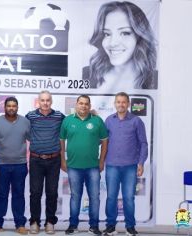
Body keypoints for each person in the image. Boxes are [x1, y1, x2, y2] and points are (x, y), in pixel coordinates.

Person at [60, 95, 108, 235]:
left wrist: (101, 161)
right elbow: (61, 141)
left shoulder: (97, 121)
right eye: (81, 103)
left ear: (89, 105)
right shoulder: (68, 120)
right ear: (76, 104)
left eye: (86, 104)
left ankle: (94, 226)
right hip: (73, 166)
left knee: (94, 197)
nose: (83, 106)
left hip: (93, 167)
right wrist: (63, 160)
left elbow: (105, 141)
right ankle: (73, 225)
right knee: (75, 196)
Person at [82, 1, 157, 90]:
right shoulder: (90, 73)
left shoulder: (153, 78)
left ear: (139, 37)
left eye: (125, 33)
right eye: (107, 34)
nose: (113, 43)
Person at [103, 92, 148, 236]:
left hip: (130, 166)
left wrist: (141, 163)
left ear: (128, 104)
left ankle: (130, 226)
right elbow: (102, 142)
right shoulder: (109, 120)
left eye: (123, 102)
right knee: (111, 197)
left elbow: (143, 144)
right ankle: (110, 226)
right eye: (118, 102)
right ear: (114, 104)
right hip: (112, 165)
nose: (121, 104)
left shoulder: (136, 121)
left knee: (128, 197)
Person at [0, 97, 30, 235]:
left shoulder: (25, 122)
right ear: (4, 107)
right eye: (9, 106)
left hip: (20, 165)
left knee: (18, 195)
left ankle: (20, 224)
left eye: (14, 106)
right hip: (1, 165)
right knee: (2, 195)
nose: (11, 108)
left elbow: (33, 139)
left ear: (17, 107)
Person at [26, 90, 65, 235]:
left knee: (52, 192)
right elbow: (21, 129)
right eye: (42, 100)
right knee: (35, 192)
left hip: (54, 159)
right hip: (36, 159)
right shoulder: (30, 116)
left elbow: (72, 124)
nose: (45, 103)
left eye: (48, 100)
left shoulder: (59, 116)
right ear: (38, 101)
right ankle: (34, 222)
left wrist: (92, 113)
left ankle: (50, 222)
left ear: (51, 101)